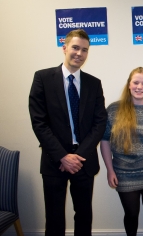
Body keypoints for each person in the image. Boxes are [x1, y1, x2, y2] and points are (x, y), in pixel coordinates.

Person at [28, 29, 107, 236]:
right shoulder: (42, 79)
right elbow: (39, 122)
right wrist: (63, 156)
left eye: (84, 50)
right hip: (55, 161)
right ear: (64, 48)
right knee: (54, 219)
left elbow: (100, 123)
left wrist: (78, 156)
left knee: (83, 216)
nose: (79, 53)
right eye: (75, 47)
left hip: (84, 160)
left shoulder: (94, 83)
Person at [100, 67, 143, 236]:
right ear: (129, 85)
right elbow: (104, 140)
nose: (140, 86)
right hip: (124, 172)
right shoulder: (114, 109)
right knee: (131, 214)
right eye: (136, 82)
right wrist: (110, 170)